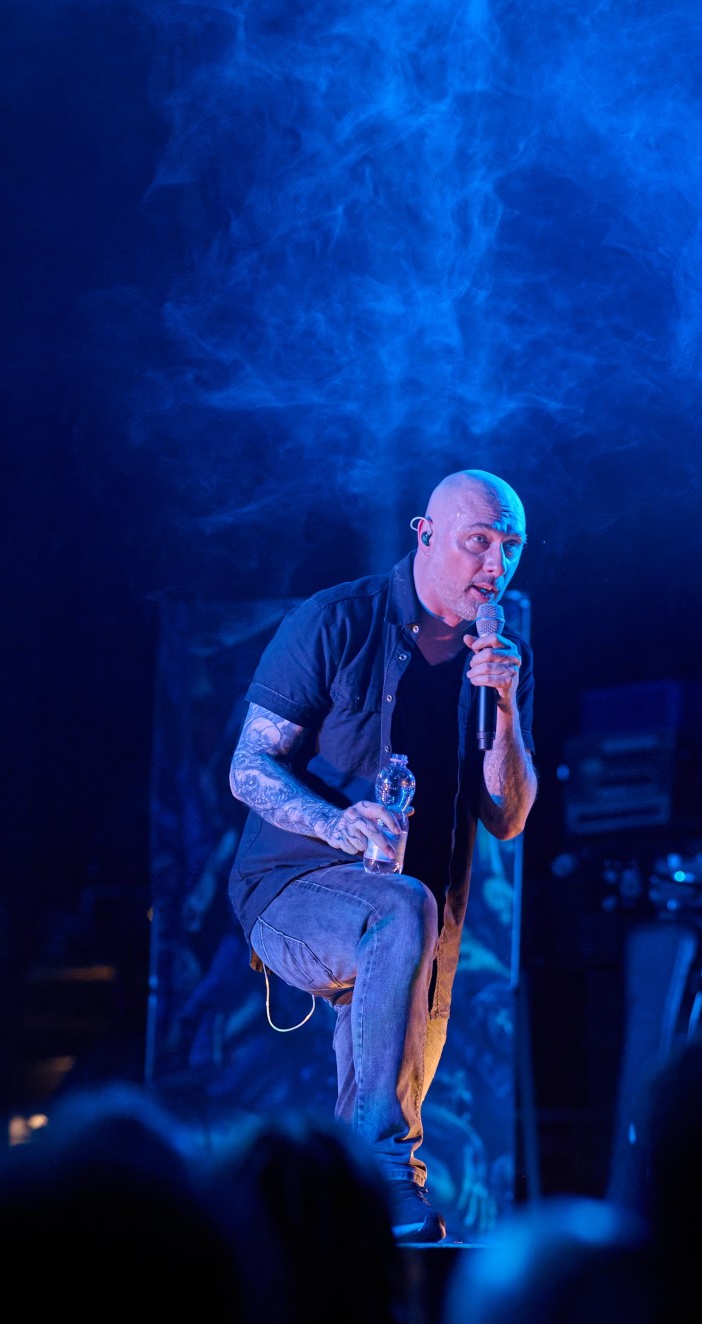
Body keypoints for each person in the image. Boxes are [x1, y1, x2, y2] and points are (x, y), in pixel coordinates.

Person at [227, 471, 537, 1241]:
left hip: (417, 919)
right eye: (478, 542)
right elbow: (248, 767)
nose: (495, 565)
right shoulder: (337, 620)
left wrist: (503, 706)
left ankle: (345, 1225)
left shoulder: (500, 657)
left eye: (510, 547)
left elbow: (507, 818)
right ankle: (390, 1179)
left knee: (389, 1084)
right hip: (293, 887)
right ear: (424, 534)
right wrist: (339, 825)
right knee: (399, 910)